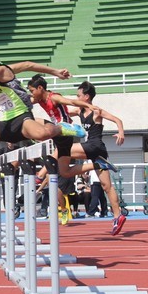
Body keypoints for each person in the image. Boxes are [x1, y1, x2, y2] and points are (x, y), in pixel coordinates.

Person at [59, 81, 126, 235]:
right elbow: (65, 112)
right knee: (106, 187)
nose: (76, 98)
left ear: (87, 97)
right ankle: (118, 217)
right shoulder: (79, 111)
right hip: (97, 152)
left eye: (78, 96)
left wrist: (121, 132)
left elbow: (117, 120)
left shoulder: (96, 111)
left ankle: (96, 165)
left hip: (95, 146)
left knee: (63, 151)